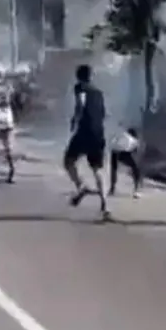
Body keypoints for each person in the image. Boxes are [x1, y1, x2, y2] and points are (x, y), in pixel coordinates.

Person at [63, 64, 110, 219]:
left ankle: (81, 186)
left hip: (85, 131)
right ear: (91, 75)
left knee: (68, 161)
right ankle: (105, 205)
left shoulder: (80, 88)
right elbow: (104, 113)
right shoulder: (99, 92)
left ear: (78, 77)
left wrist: (74, 119)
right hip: (98, 132)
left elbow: (81, 104)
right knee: (97, 168)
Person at [108, 126, 142, 198]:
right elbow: (136, 152)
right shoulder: (134, 140)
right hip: (122, 152)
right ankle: (136, 189)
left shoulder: (123, 136)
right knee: (136, 168)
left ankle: (112, 188)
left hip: (115, 151)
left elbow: (113, 143)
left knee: (114, 168)